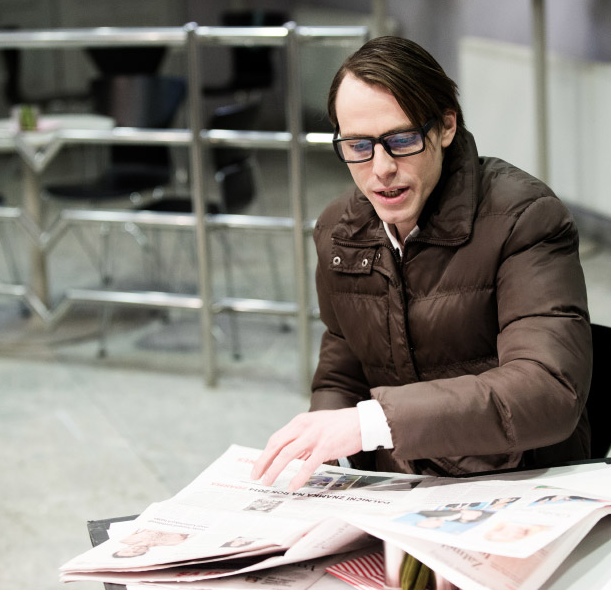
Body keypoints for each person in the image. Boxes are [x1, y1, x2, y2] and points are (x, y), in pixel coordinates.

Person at [251, 36, 591, 492]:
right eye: (358, 146)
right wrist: (323, 457)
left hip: (512, 483)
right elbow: (341, 374)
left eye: (401, 140)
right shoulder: (340, 230)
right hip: (397, 487)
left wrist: (371, 423)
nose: (381, 168)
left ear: (446, 126)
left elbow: (547, 389)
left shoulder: (523, 217)